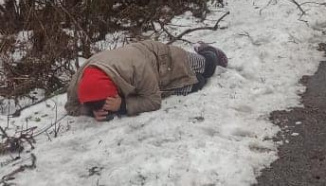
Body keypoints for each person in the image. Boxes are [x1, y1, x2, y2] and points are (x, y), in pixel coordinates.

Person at [65, 40, 228, 121]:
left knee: (207, 68)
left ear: (113, 90)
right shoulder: (78, 83)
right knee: (198, 83)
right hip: (153, 81)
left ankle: (207, 49)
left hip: (162, 58)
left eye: (105, 102)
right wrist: (91, 111)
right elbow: (71, 107)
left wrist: (122, 105)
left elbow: (154, 100)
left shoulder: (136, 68)